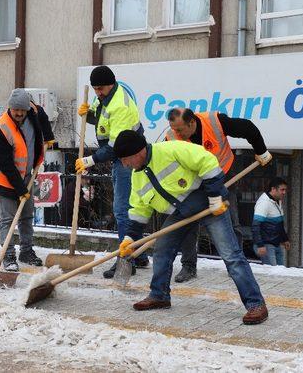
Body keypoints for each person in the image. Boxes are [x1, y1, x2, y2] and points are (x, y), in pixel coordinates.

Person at [115, 130, 268, 325]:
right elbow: (139, 210)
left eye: (125, 159)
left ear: (138, 152)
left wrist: (214, 198)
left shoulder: (172, 150)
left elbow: (208, 162)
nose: (124, 164)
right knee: (162, 250)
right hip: (181, 212)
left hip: (209, 203)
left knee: (231, 255)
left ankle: (256, 304)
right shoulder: (137, 177)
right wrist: (129, 239)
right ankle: (159, 295)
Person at [166, 108, 272, 283]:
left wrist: (261, 151)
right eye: (174, 129)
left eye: (180, 129)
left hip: (223, 177)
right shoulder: (170, 138)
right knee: (188, 223)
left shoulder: (215, 122)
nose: (176, 133)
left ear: (192, 123)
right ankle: (188, 266)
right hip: (194, 183)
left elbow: (248, 128)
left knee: (230, 219)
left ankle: (237, 266)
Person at [77, 65, 148, 279]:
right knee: (127, 207)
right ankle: (138, 255)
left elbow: (116, 146)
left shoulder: (121, 105)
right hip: (121, 156)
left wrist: (89, 160)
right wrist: (89, 115)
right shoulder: (106, 97)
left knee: (122, 209)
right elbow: (102, 120)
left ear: (112, 83)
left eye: (101, 89)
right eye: (95, 89)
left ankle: (126, 260)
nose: (98, 93)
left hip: (129, 158)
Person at [0, 89, 54, 271]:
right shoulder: (1, 129)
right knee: (8, 220)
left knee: (26, 216)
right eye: (15, 110)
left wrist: (49, 137)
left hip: (26, 176)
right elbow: (6, 164)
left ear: (28, 109)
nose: (18, 113)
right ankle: (8, 256)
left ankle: (26, 251)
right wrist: (20, 189)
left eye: (22, 110)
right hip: (6, 180)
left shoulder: (33, 111)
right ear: (9, 107)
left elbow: (42, 116)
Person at [252, 177, 290, 266]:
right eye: (282, 190)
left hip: (276, 243)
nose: (284, 192)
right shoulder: (264, 203)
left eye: (285, 190)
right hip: (267, 244)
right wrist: (260, 245)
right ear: (273, 189)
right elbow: (255, 226)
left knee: (280, 271)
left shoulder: (277, 201)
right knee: (272, 273)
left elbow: (279, 223)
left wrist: (285, 239)